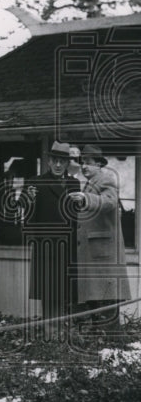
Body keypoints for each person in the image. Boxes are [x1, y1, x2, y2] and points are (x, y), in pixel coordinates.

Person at [70, 144, 131, 333]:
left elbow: (110, 202)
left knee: (106, 300)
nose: (84, 167)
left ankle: (110, 344)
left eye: (88, 163)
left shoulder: (106, 179)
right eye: (82, 163)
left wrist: (86, 199)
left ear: (99, 164)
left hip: (103, 257)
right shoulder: (91, 182)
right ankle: (103, 341)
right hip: (95, 255)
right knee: (98, 301)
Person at [21, 141, 78, 339]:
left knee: (64, 292)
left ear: (67, 163)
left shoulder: (74, 184)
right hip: (45, 247)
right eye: (55, 160)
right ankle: (49, 333)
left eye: (62, 161)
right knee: (48, 291)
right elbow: (24, 214)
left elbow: (78, 216)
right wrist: (28, 200)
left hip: (68, 247)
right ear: (49, 161)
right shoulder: (34, 183)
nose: (58, 165)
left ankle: (62, 331)